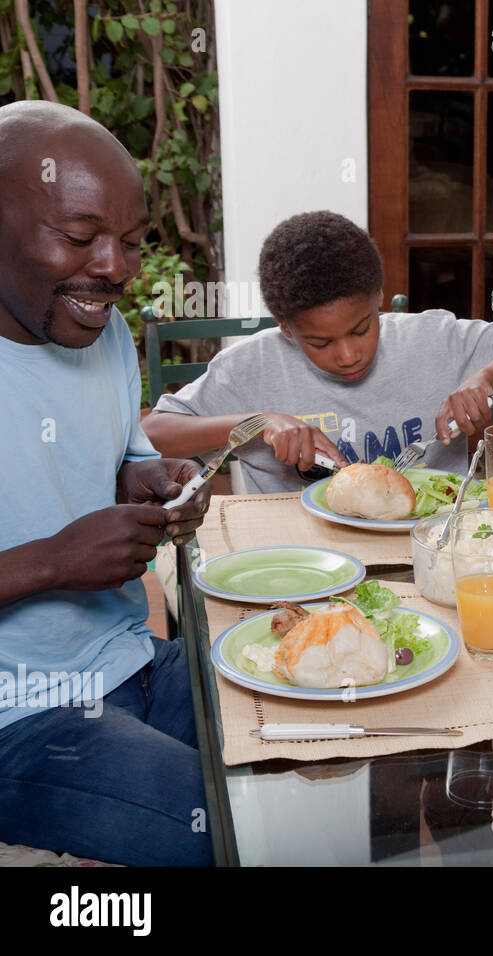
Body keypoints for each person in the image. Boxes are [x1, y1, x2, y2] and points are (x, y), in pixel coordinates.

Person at [0, 101, 214, 865]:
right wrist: (53, 561)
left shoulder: (103, 329)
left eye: (129, 242)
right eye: (82, 237)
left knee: (330, 731)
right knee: (230, 826)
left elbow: (121, 459)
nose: (116, 270)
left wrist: (152, 478)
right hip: (20, 719)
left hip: (132, 657)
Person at [141, 210, 493, 492]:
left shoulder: (430, 338)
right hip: (305, 562)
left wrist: (483, 379)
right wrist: (258, 423)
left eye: (362, 329)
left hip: (428, 545)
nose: (347, 355)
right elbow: (153, 434)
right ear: (285, 328)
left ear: (379, 297)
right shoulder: (250, 368)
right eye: (320, 343)